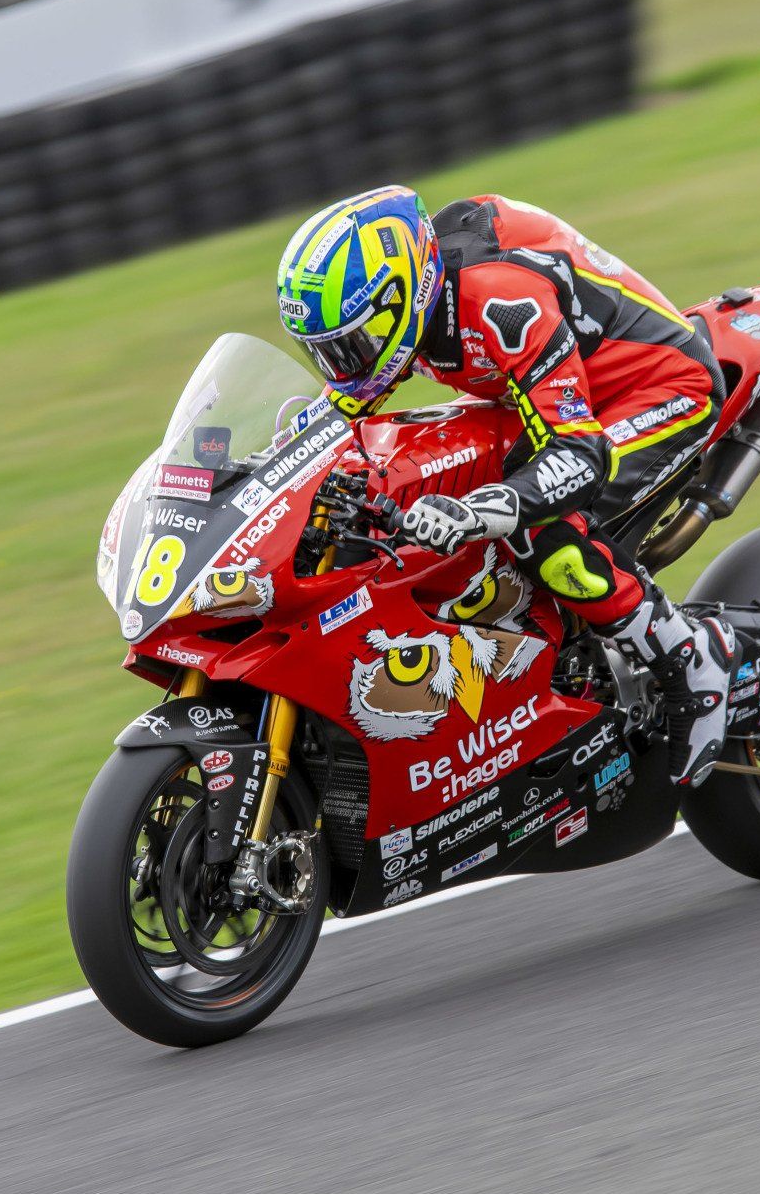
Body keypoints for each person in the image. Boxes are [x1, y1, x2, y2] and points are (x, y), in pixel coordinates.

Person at [276, 185, 736, 787]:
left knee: (535, 525)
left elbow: (578, 453)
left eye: (354, 344)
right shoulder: (420, 301)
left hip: (658, 390)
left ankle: (689, 657)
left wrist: (477, 512)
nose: (347, 364)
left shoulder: (499, 301)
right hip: (556, 395)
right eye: (330, 353)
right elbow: (347, 410)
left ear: (402, 298)